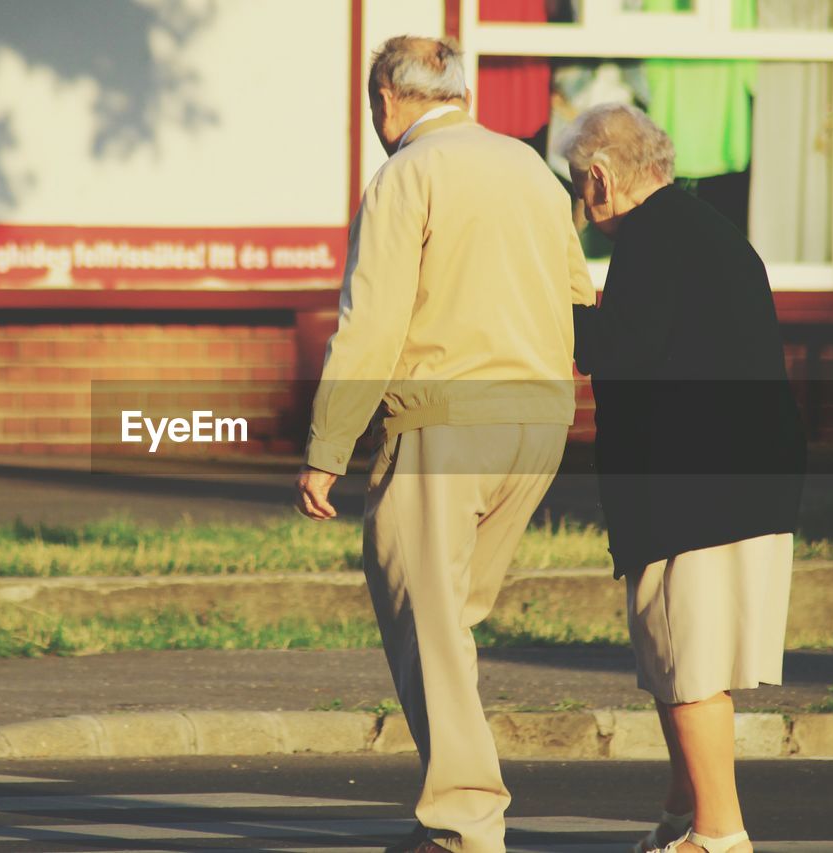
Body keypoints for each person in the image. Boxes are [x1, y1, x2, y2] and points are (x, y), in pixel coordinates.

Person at [294, 36, 594, 853]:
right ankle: (457, 821)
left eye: (372, 108)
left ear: (389, 99)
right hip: (537, 423)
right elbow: (578, 290)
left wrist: (328, 445)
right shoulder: (532, 170)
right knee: (450, 621)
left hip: (446, 420)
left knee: (427, 619)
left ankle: (465, 823)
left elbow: (373, 322)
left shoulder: (407, 175)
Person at [563, 103, 806, 853]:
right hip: (747, 479)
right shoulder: (710, 231)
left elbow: (617, 347)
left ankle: (719, 832)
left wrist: (554, 303)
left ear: (601, 178)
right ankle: (682, 807)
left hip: (686, 491)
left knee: (690, 663)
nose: (579, 204)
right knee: (680, 657)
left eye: (578, 186)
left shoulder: (649, 240)